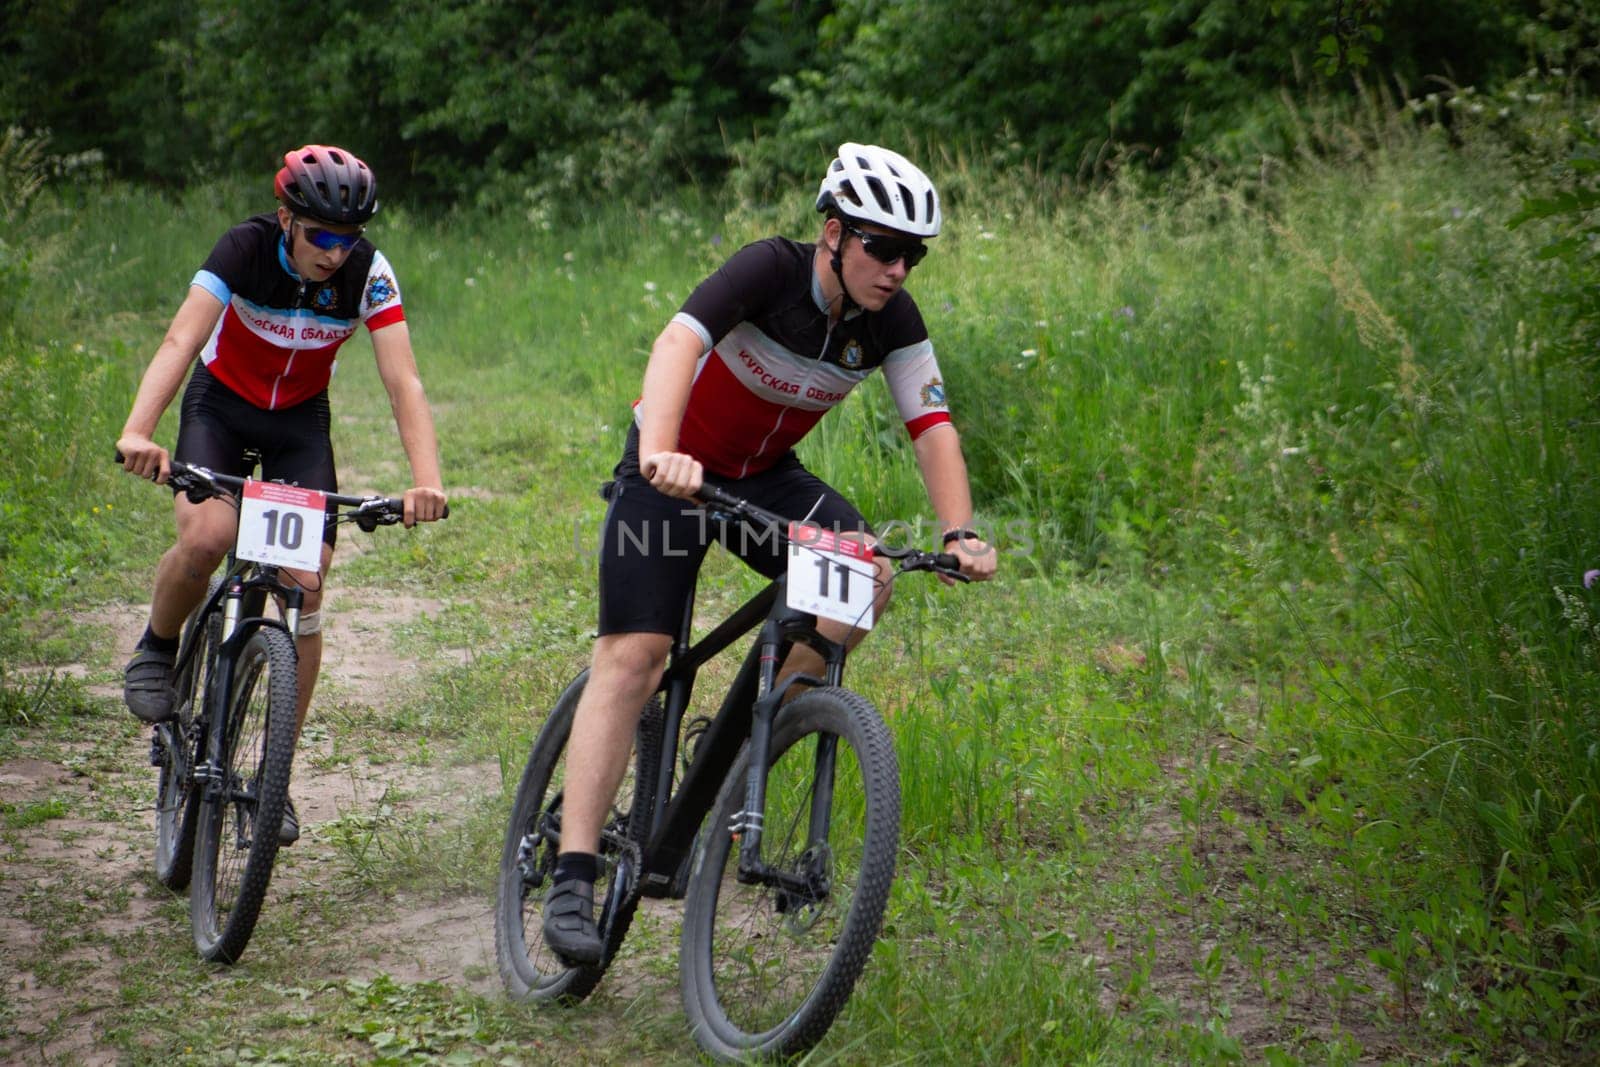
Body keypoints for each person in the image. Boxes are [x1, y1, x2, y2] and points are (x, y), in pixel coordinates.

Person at [541, 142, 997, 962]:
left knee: (868, 574)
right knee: (637, 654)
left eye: (912, 254)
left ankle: (753, 737)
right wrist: (663, 449)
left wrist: (959, 531)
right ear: (833, 233)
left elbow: (932, 427)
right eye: (882, 248)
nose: (897, 269)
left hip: (764, 480)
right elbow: (677, 344)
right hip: (670, 470)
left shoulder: (893, 320)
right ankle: (572, 873)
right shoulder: (767, 271)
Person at [116, 144, 448, 844]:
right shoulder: (243, 248)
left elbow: (403, 381)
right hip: (221, 406)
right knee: (207, 536)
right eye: (322, 235)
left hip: (299, 421)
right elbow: (183, 336)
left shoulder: (367, 273)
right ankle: (157, 646)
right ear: (285, 217)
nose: (335, 251)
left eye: (348, 237)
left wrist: (428, 481)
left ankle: (273, 774)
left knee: (306, 580)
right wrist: (139, 430)